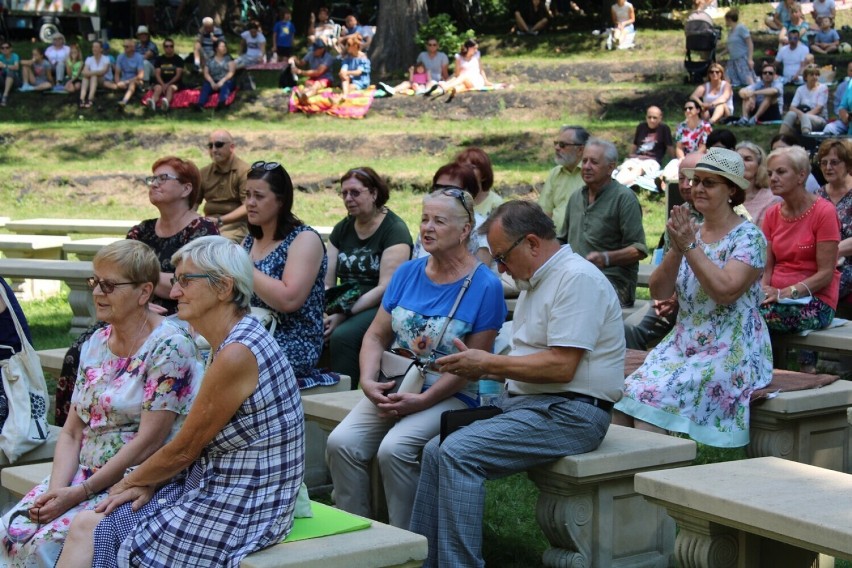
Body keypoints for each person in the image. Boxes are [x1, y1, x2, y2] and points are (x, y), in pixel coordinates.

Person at [56, 236, 305, 567]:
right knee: (94, 521)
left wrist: (129, 482)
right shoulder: (235, 339)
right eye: (175, 281)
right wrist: (148, 481)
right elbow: (190, 448)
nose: (173, 293)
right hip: (217, 483)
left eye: (185, 281)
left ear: (224, 287)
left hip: (247, 503)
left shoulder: (237, 352)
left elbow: (185, 447)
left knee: (100, 526)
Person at [409, 200, 625, 567]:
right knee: (435, 450)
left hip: (573, 412)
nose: (502, 269)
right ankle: (428, 562)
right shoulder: (538, 281)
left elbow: (561, 367)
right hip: (535, 405)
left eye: (502, 257)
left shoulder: (577, 279)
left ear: (532, 243)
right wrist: (482, 372)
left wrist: (489, 362)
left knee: (458, 453)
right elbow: (524, 364)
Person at [0, 239, 200, 568]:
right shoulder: (96, 342)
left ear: (144, 291)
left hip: (136, 480)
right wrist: (57, 491)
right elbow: (71, 433)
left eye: (109, 285)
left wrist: (78, 494)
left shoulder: (170, 346)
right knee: (11, 533)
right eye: (95, 282)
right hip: (81, 476)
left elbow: (149, 441)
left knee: (44, 545)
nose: (97, 292)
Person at [326, 188, 505, 529]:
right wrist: (367, 380)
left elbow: (474, 366)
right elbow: (376, 335)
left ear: (465, 230)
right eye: (424, 218)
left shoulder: (485, 285)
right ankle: (355, 539)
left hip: (453, 393)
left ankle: (408, 546)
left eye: (439, 220)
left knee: (395, 449)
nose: (428, 227)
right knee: (341, 442)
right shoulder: (408, 273)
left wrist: (422, 401)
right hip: (398, 383)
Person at [614, 148, 772, 448]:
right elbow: (660, 291)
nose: (697, 188)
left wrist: (688, 245)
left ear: (732, 190)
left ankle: (659, 484)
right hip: (684, 342)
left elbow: (725, 292)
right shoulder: (692, 232)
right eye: (696, 180)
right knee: (622, 399)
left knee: (650, 404)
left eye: (709, 183)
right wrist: (678, 246)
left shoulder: (749, 238)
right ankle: (627, 486)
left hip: (733, 347)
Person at [54, 157, 219, 427]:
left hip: (182, 315)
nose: (153, 184)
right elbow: (117, 273)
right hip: (132, 307)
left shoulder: (203, 231)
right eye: (151, 178)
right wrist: (136, 296)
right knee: (79, 349)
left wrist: (140, 291)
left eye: (163, 178)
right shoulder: (141, 230)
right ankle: (74, 431)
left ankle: (126, 423)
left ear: (187, 189)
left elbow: (196, 284)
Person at [241, 160, 333, 388]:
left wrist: (243, 268)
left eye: (259, 196)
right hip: (253, 335)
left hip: (294, 341)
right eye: (247, 195)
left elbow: (288, 300)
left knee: (229, 365)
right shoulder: (249, 241)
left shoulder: (304, 239)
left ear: (281, 201)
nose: (250, 203)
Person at [325, 167, 413, 388]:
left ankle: (344, 397)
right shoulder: (342, 229)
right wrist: (329, 310)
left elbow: (385, 287)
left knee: (343, 336)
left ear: (374, 193)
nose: (348, 199)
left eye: (355, 192)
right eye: (344, 193)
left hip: (380, 304)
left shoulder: (394, 230)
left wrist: (344, 314)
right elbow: (327, 282)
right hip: (343, 301)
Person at [760, 146, 841, 373]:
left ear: (801, 175)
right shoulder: (772, 214)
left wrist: (787, 293)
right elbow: (768, 267)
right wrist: (765, 289)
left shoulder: (824, 212)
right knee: (736, 311)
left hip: (816, 301)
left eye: (781, 172)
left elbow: (826, 273)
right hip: (775, 299)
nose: (773, 178)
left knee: (754, 318)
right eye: (769, 173)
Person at [623, 151, 705, 351]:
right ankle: (636, 379)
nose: (685, 185)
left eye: (692, 179)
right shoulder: (679, 213)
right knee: (629, 329)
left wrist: (676, 298)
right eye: (682, 178)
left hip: (706, 300)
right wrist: (667, 296)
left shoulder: (733, 218)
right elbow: (668, 265)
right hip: (674, 295)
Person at [560, 138, 648, 307]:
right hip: (576, 279)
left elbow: (639, 250)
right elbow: (562, 240)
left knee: (573, 299)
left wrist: (606, 258)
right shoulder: (576, 197)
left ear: (610, 167)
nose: (586, 166)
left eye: (594, 162)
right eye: (584, 161)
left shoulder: (624, 199)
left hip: (612, 283)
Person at [412, 162, 491, 265]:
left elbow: (479, 274)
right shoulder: (428, 225)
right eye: (437, 188)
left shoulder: (481, 229)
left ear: (468, 194)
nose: (441, 194)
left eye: (450, 190)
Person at [815, 139, 852, 300]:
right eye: (824, 162)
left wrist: (831, 253)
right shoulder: (817, 196)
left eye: (834, 162)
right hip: (819, 263)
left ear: (848, 164)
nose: (828, 167)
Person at [199, 129, 250, 244]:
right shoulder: (204, 173)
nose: (214, 150)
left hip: (236, 225)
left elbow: (248, 206)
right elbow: (192, 205)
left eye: (219, 145)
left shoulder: (244, 171)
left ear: (232, 147)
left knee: (219, 246)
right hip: (209, 224)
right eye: (210, 146)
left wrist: (220, 221)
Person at [538, 125, 590, 236]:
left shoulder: (591, 174)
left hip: (582, 240)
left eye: (562, 145)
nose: (557, 148)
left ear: (580, 149)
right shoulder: (555, 173)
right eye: (556, 143)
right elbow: (544, 212)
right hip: (555, 240)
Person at [615, 106, 674, 191]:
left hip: (652, 160)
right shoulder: (641, 127)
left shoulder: (664, 129)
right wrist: (630, 156)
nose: (651, 120)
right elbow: (635, 144)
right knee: (625, 168)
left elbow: (669, 147)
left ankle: (617, 187)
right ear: (646, 117)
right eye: (649, 117)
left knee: (638, 170)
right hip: (637, 158)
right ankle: (618, 185)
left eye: (655, 118)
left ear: (660, 118)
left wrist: (672, 160)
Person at [425, 39, 490, 102]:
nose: (476, 50)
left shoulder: (477, 55)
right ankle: (453, 89)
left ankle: (446, 87)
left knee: (463, 76)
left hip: (476, 80)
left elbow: (481, 69)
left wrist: (486, 81)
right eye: (474, 48)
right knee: (461, 84)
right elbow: (457, 74)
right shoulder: (459, 57)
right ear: (469, 48)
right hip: (464, 80)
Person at [736, 141, 780, 228]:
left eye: (748, 159)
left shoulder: (771, 200)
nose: (741, 163)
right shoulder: (723, 196)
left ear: (759, 166)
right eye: (737, 159)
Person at [780, 65, 828, 137]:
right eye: (812, 75)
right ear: (806, 77)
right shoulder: (800, 89)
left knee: (805, 117)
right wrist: (800, 115)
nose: (815, 77)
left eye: (817, 75)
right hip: (802, 115)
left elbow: (819, 108)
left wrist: (803, 117)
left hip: (819, 118)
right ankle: (781, 137)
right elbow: (792, 107)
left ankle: (806, 139)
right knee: (791, 114)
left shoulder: (823, 88)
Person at [455, 147, 502, 216]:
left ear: (484, 174)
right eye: (462, 167)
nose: (466, 170)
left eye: (472, 167)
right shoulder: (452, 199)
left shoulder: (495, 203)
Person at [195, 39, 236, 111]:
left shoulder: (229, 59)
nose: (224, 48)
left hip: (225, 80)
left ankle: (221, 103)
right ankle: (200, 105)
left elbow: (231, 72)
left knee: (225, 87)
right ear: (216, 48)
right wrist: (212, 82)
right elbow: (206, 73)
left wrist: (222, 82)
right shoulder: (210, 60)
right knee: (205, 87)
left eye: (225, 46)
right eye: (222, 46)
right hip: (213, 81)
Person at [720, 8, 754, 87]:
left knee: (747, 79)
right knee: (728, 78)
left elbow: (750, 43)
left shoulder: (741, 28)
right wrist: (721, 54)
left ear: (729, 19)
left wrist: (750, 59)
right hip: (733, 60)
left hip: (742, 58)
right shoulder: (730, 32)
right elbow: (730, 47)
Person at [148, 38, 184, 112]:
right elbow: (157, 74)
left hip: (174, 82)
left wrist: (168, 84)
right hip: (161, 81)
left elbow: (178, 75)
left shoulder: (179, 59)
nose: (169, 48)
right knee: (158, 88)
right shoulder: (159, 59)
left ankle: (165, 104)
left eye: (171, 46)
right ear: (164, 48)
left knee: (170, 88)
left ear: (173, 47)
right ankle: (153, 102)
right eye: (166, 46)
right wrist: (163, 84)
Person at [78, 40, 115, 109]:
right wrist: (91, 73)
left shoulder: (106, 59)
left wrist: (91, 73)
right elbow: (84, 71)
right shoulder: (89, 59)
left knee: (93, 76)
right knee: (85, 78)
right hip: (92, 80)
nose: (94, 49)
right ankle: (81, 99)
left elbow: (103, 72)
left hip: (104, 80)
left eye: (96, 47)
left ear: (101, 49)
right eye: (93, 47)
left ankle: (90, 99)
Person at [114, 40, 145, 108]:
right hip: (124, 79)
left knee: (132, 83)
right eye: (124, 46)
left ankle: (124, 101)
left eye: (127, 46)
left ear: (133, 48)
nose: (124, 48)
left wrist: (126, 82)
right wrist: (118, 83)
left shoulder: (139, 57)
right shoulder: (120, 57)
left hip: (136, 80)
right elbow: (117, 73)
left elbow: (141, 75)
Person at [0, 42, 21, 107]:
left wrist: (5, 66)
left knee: (11, 72)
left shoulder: (15, 56)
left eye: (7, 48)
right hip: (4, 80)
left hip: (15, 81)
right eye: (2, 48)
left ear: (11, 49)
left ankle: (5, 96)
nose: (5, 49)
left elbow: (16, 67)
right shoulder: (0, 57)